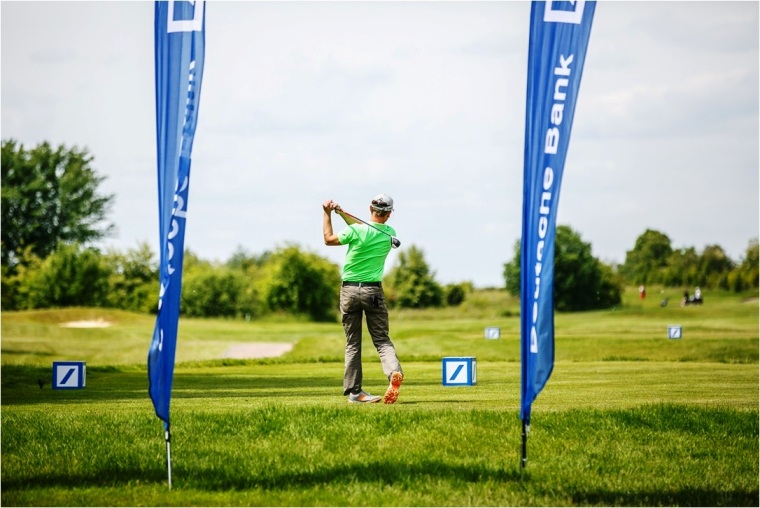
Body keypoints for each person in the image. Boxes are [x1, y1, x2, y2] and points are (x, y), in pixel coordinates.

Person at [322, 194, 404, 404]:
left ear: (370, 208)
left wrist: (327, 213)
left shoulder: (355, 231)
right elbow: (365, 227)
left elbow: (328, 239)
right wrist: (341, 213)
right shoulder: (389, 233)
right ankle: (393, 373)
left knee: (353, 343)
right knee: (382, 339)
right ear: (388, 214)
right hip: (373, 292)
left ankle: (355, 392)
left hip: (349, 291)